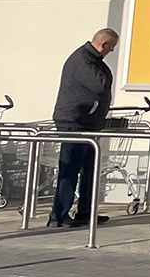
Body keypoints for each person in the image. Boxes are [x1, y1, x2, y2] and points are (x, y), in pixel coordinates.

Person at [48, 28, 118, 229]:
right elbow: (100, 85)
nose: (112, 51)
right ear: (103, 44)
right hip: (74, 121)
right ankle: (58, 216)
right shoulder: (83, 60)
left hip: (88, 122)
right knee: (70, 169)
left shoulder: (94, 60)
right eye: (112, 47)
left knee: (90, 169)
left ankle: (85, 211)